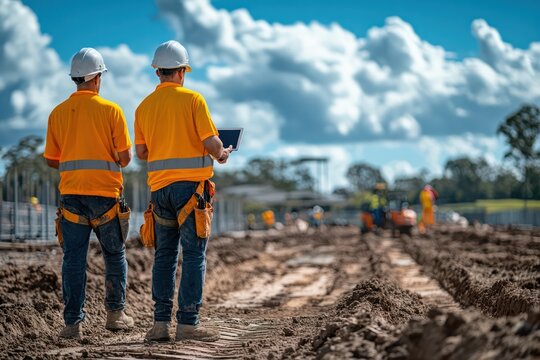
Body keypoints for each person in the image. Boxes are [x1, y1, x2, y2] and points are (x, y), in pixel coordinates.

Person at [135, 40, 232, 343]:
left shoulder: (142, 107)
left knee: (164, 257)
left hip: (159, 192)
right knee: (193, 255)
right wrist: (223, 153)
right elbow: (212, 144)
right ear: (182, 72)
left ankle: (160, 324)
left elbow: (141, 152)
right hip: (191, 191)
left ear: (158, 73)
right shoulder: (193, 100)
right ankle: (188, 323)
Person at [44, 48, 134, 339]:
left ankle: (72, 324)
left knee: (73, 259)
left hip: (71, 196)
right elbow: (125, 158)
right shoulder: (111, 111)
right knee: (114, 254)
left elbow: (51, 158)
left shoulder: (57, 113)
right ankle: (116, 315)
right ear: (96, 77)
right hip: (106, 195)